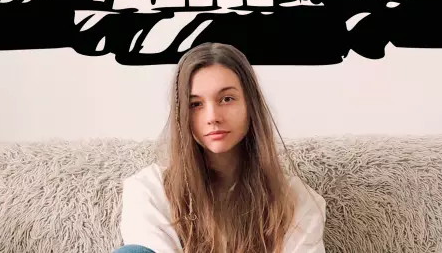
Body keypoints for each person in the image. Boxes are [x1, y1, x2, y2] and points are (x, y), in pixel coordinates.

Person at [114, 42, 326, 253]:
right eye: (195, 104)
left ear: (250, 105)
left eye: (226, 99)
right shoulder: (150, 190)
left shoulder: (296, 201)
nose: (213, 117)